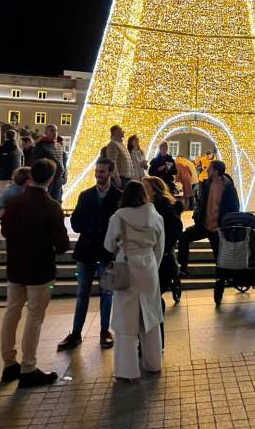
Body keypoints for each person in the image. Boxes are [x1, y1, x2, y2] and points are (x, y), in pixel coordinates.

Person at [0, 158, 70, 387]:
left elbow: (5, 231)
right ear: (51, 178)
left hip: (15, 267)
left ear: (31, 177)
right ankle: (28, 367)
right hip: (40, 269)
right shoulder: (51, 206)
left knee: (11, 313)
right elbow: (61, 244)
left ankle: (9, 364)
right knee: (35, 317)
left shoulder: (15, 203)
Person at [57, 158, 122, 352]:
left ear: (110, 173)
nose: (98, 175)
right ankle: (76, 333)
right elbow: (76, 223)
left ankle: (104, 331)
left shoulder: (119, 197)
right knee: (82, 294)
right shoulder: (85, 195)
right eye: (97, 171)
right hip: (86, 250)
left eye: (102, 172)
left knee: (107, 293)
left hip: (107, 252)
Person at [104, 181, 165, 380]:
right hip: (148, 266)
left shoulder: (118, 217)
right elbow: (160, 246)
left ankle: (126, 370)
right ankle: (153, 363)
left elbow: (109, 244)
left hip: (126, 266)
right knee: (150, 316)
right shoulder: (155, 215)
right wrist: (152, 266)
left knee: (125, 320)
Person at [178, 160, 240, 291]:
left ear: (216, 171)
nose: (208, 170)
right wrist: (197, 216)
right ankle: (183, 269)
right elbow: (201, 202)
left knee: (220, 258)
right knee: (184, 237)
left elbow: (234, 208)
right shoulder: (207, 184)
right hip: (204, 225)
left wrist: (226, 226)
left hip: (218, 229)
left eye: (210, 168)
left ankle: (222, 282)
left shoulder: (228, 187)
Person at [142, 175, 184, 345]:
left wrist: (163, 246)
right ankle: (151, 340)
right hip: (150, 259)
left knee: (154, 299)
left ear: (154, 189)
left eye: (145, 187)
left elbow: (175, 228)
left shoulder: (164, 207)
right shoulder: (144, 207)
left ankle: (156, 340)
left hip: (162, 260)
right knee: (151, 299)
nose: (142, 189)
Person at [0, 130, 24, 217]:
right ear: (15, 137)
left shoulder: (3, 147)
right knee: (14, 195)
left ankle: (1, 214)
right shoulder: (19, 149)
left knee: (1, 196)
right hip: (16, 176)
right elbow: (22, 162)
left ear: (5, 136)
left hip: (4, 175)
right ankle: (13, 213)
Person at [32, 125, 66, 203]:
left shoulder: (59, 145)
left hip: (58, 179)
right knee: (46, 202)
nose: (54, 133)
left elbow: (62, 161)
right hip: (47, 180)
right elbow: (37, 163)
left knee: (56, 202)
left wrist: (64, 175)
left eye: (56, 131)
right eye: (52, 131)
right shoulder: (40, 145)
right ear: (46, 133)